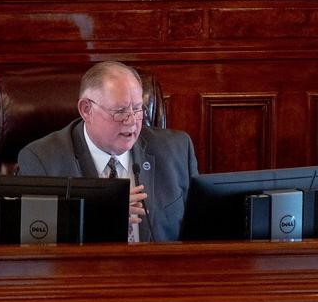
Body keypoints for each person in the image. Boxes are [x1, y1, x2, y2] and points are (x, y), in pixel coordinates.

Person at [16, 61, 198, 242]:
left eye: (137, 109)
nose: (132, 121)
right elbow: (36, 236)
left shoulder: (177, 150)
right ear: (86, 110)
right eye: (120, 111)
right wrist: (99, 216)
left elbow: (198, 233)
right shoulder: (42, 159)